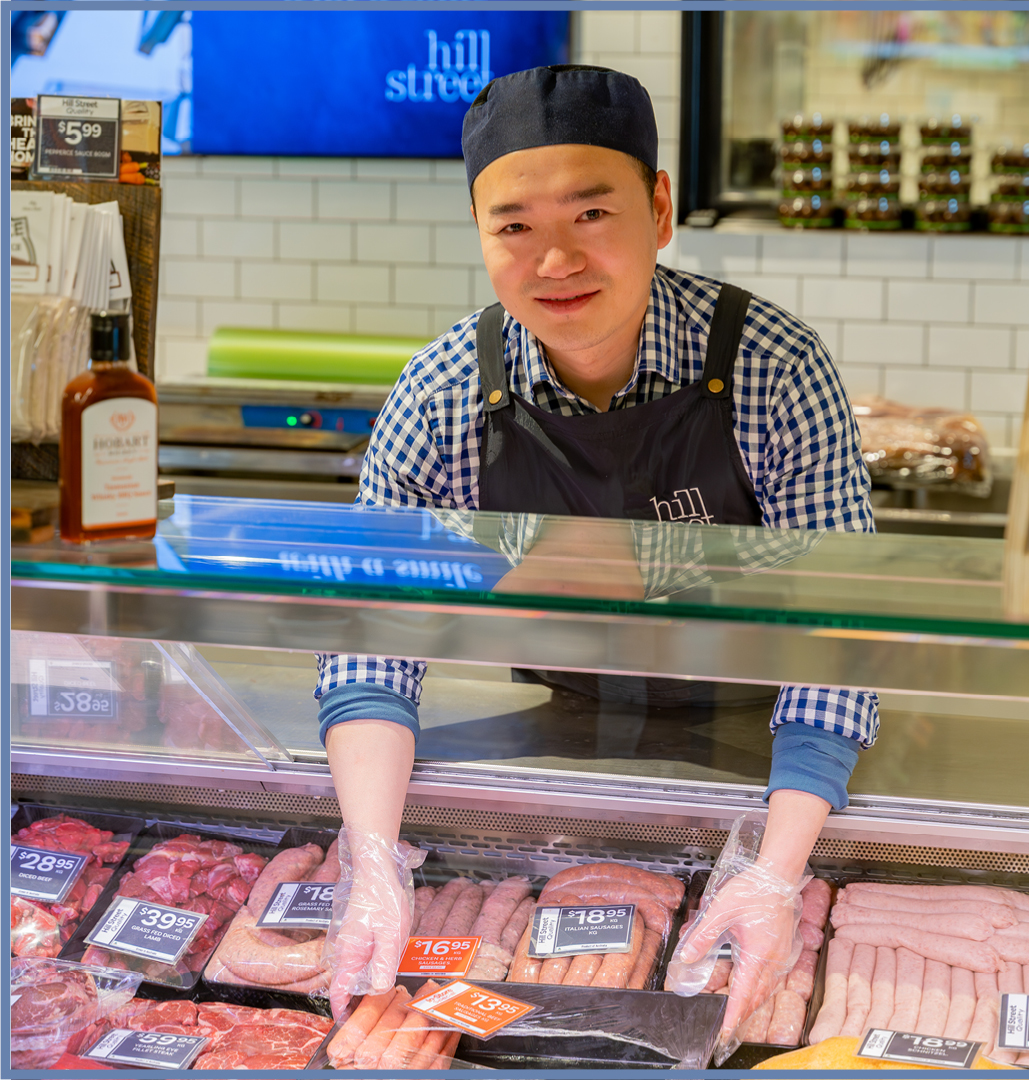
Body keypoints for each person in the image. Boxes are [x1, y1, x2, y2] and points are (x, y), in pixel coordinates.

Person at [318, 65, 878, 1036]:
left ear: (660, 208)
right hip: (562, 726)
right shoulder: (444, 388)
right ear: (481, 234)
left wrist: (777, 873)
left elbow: (838, 626)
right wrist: (371, 851)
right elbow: (373, 625)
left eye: (591, 213)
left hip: (768, 740)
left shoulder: (772, 365)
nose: (555, 260)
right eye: (514, 226)